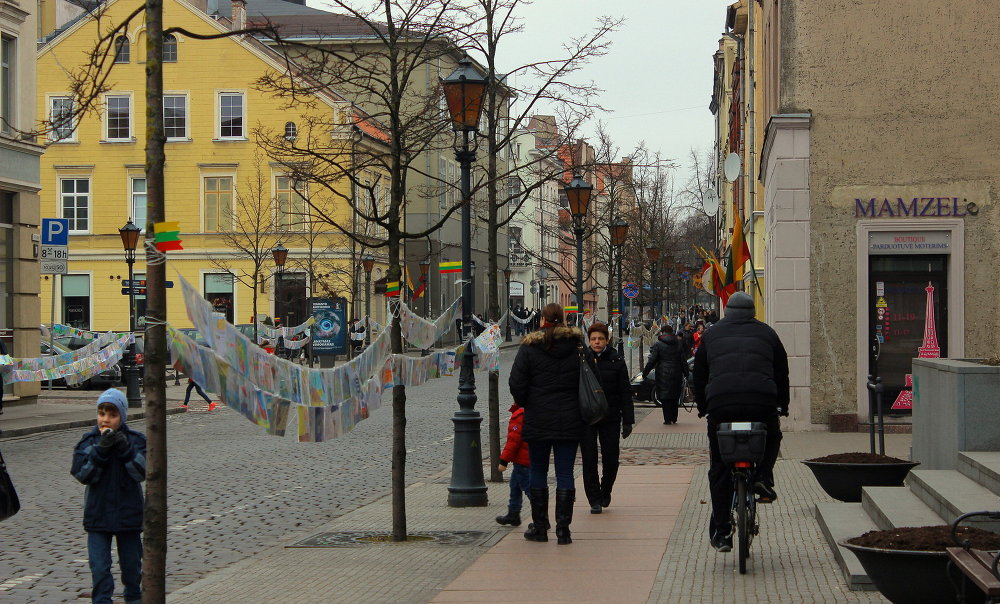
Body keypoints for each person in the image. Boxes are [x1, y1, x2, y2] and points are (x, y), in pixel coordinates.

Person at [692, 291, 789, 553]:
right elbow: (781, 372)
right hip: (761, 403)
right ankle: (763, 476)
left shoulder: (711, 334)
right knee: (773, 435)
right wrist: (784, 404)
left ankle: (722, 532)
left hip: (722, 406)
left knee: (719, 469)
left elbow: (698, 374)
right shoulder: (768, 333)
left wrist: (703, 407)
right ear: (752, 312)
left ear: (727, 310)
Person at [508, 303, 583, 545]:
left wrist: (526, 401)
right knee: (564, 473)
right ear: (562, 319)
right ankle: (563, 530)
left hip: (538, 417)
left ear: (542, 320)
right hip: (570, 417)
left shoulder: (530, 348)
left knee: (538, 471)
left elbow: (516, 382)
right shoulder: (576, 347)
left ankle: (540, 527)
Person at [71, 389, 147, 604]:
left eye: (112, 415)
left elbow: (141, 472)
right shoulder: (89, 441)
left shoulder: (136, 440)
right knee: (100, 570)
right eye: (102, 413)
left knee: (132, 569)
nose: (105, 420)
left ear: (121, 417)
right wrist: (100, 451)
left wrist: (125, 450)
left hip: (128, 515)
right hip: (98, 515)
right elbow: (83, 474)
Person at [581, 323, 633, 514]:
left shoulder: (616, 359)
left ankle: (606, 489)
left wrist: (628, 420)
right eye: (593, 339)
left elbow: (625, 391)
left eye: (600, 339)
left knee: (611, 458)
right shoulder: (582, 360)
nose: (597, 342)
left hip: (611, 415)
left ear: (607, 340)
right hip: (587, 416)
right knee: (589, 458)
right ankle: (594, 498)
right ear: (589, 340)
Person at [642, 325, 688, 425]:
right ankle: (674, 418)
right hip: (676, 372)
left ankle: (667, 419)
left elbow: (652, 360)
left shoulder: (658, 344)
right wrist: (686, 373)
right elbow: (683, 361)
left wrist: (645, 373)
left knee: (665, 396)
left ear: (662, 332)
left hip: (662, 373)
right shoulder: (678, 343)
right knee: (675, 396)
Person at [495, 402, 530, 527]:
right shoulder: (532, 410)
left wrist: (503, 461)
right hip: (526, 459)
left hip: (523, 460)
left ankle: (541, 517)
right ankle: (513, 514)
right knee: (515, 486)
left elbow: (513, 441)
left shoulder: (519, 415)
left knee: (529, 489)